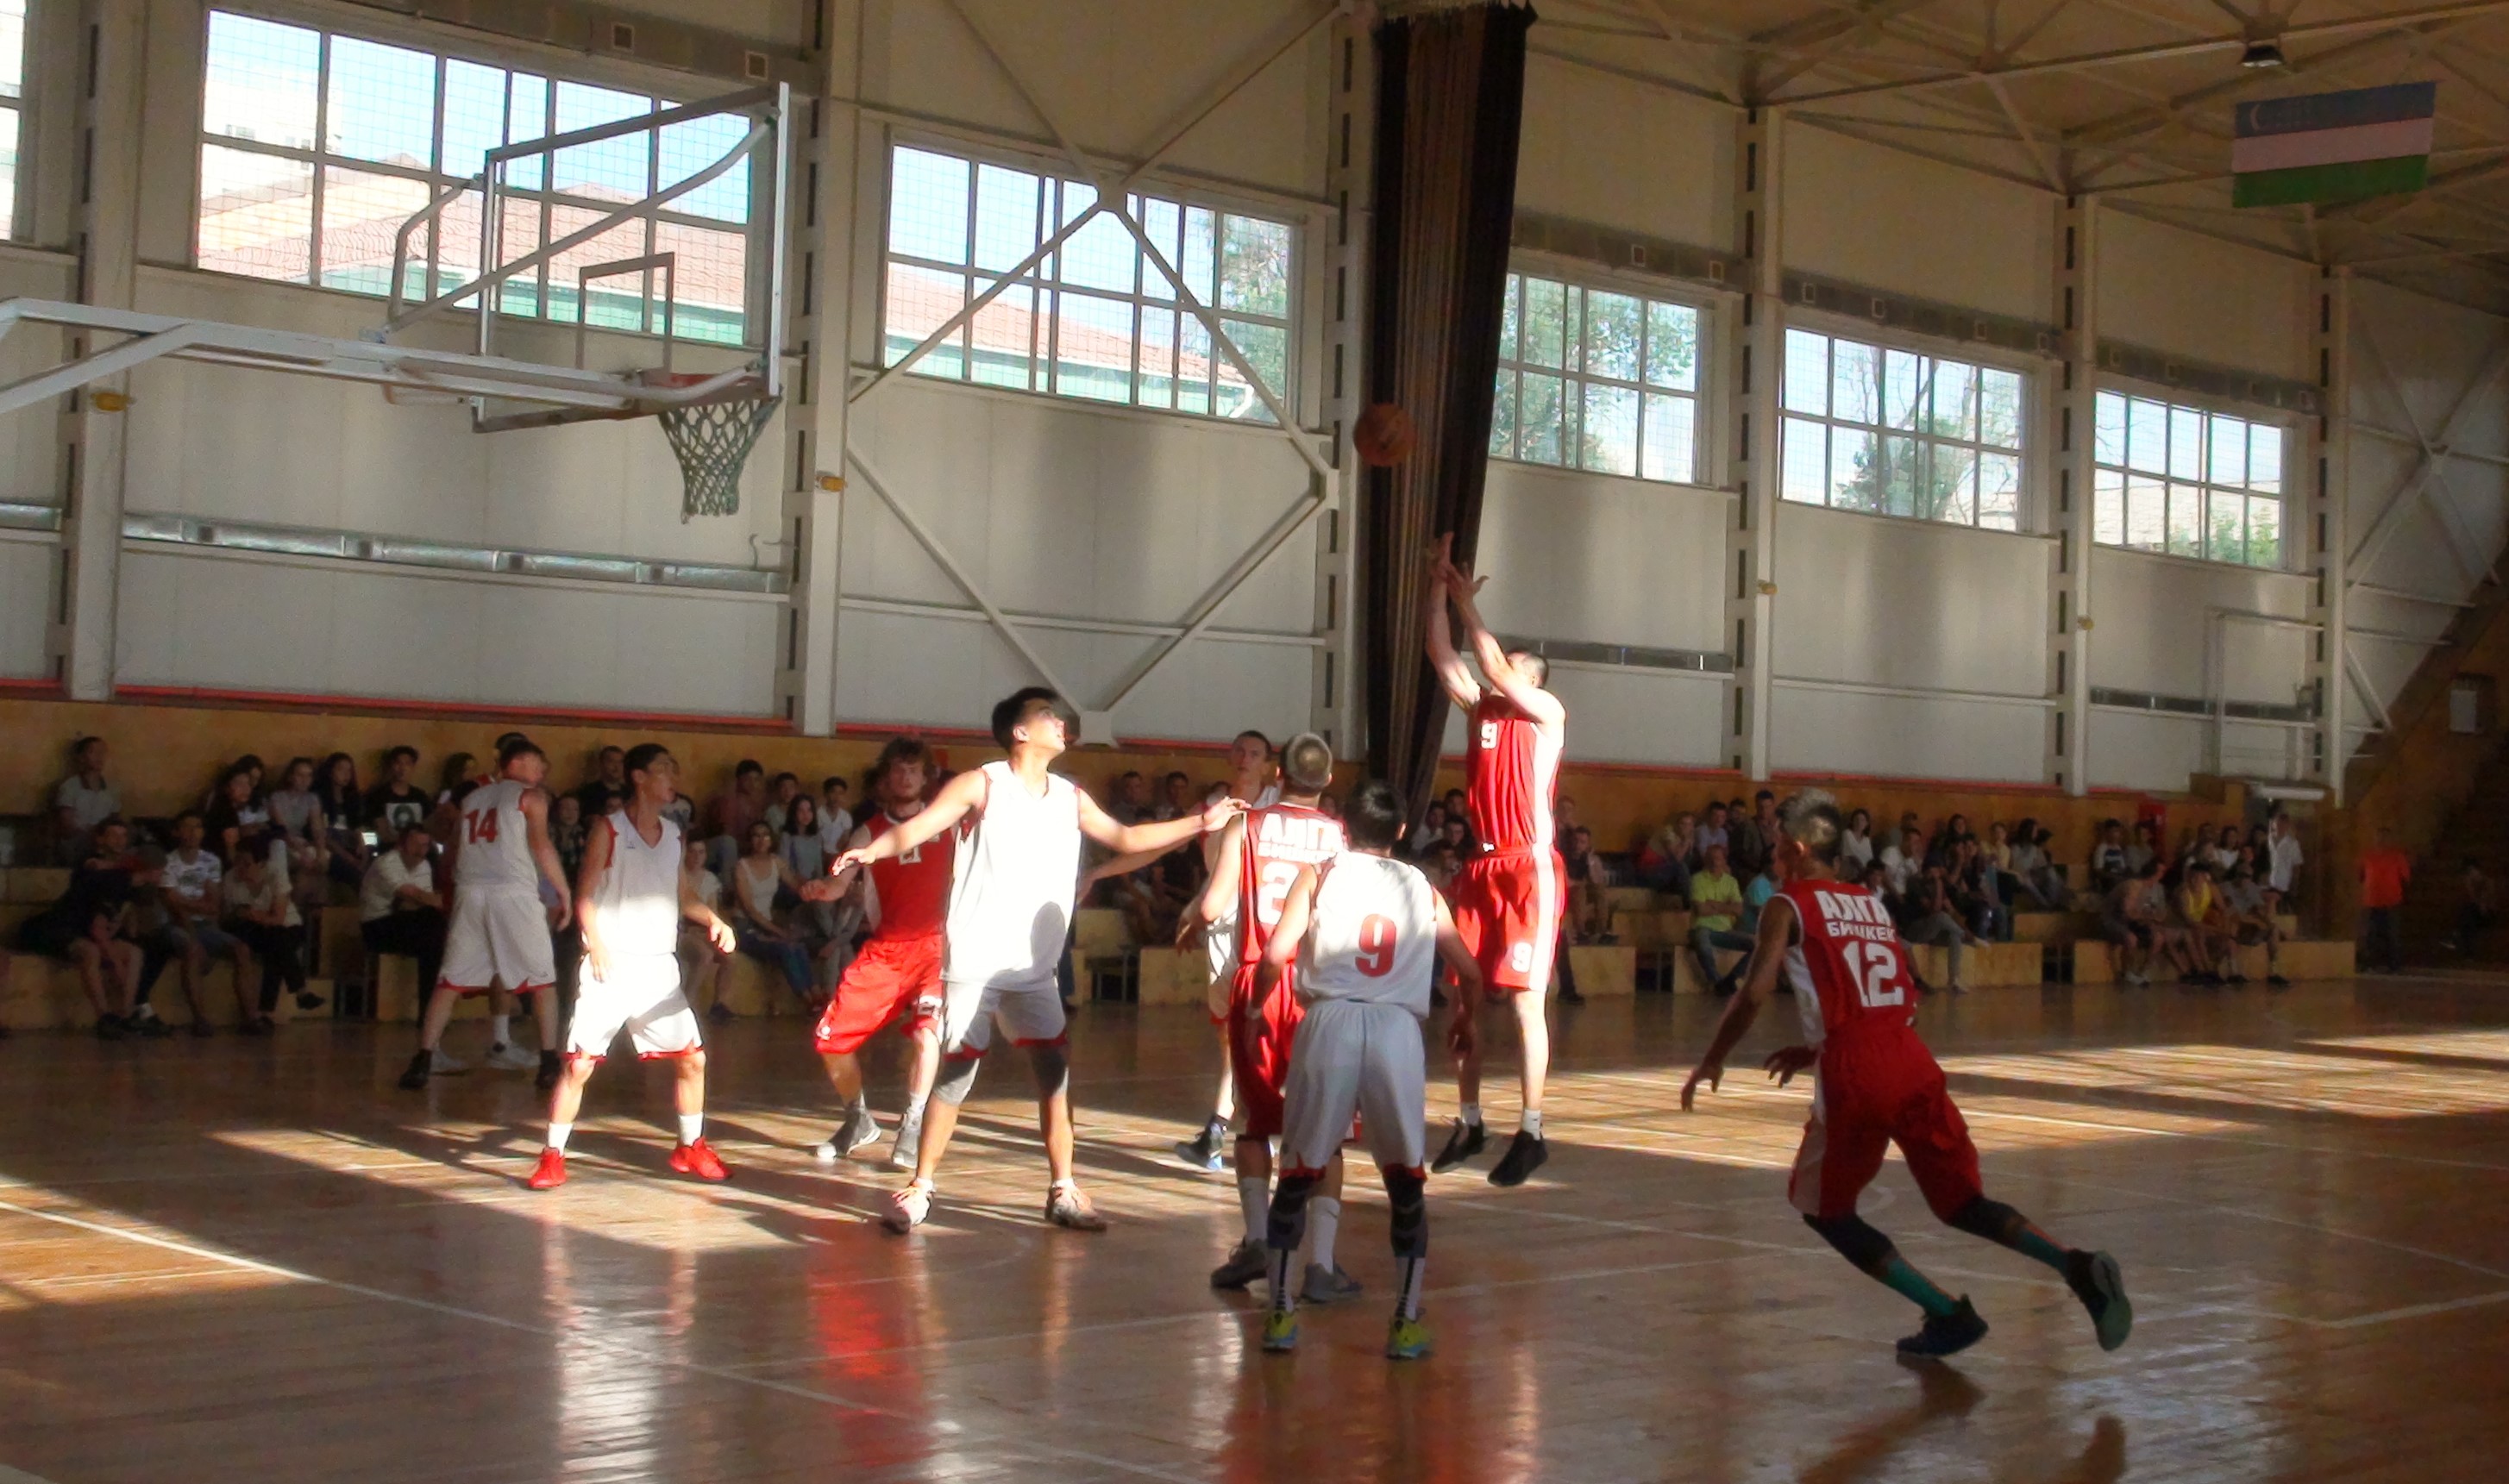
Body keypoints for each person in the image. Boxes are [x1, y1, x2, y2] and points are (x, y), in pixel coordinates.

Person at [1681, 791, 2133, 1359]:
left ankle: (1946, 1313)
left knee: (1824, 1211)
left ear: (1795, 849)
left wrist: (1714, 1056)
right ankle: (2076, 1265)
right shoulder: (1871, 904)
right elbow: (1893, 998)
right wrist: (1818, 1045)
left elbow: (1753, 991)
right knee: (1962, 1203)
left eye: (1775, 847)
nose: (1772, 857)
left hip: (1857, 1073)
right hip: (1911, 1057)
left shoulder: (1786, 903)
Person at [832, 686, 1246, 1233]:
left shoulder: (1070, 797)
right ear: (1020, 731)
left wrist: (1201, 823)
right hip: (976, 963)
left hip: (1034, 971)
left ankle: (1063, 1189)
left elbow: (1126, 837)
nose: (1060, 722)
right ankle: (921, 1188)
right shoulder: (981, 784)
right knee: (956, 1077)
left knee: (1055, 1075)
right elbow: (919, 826)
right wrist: (873, 850)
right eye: (1048, 714)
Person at [1255, 780, 1480, 1361]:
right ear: (1401, 831)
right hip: (1395, 1030)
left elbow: (1276, 954)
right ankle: (1405, 1321)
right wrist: (1466, 1020)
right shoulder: (1423, 887)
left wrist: (1256, 1009)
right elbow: (1470, 971)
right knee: (1405, 1180)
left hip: (1328, 1022)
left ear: (1343, 826)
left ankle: (1279, 1314)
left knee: (1298, 1172)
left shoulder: (1320, 874)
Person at [1188, 733, 1355, 1299]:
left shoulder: (1247, 825)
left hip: (1259, 978)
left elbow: (1214, 904)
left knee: (1254, 1122)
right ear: (1327, 780)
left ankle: (1258, 1238)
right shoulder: (1339, 836)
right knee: (1326, 1128)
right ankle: (1321, 1264)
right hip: (1316, 986)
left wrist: (1191, 921)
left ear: (1278, 773)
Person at [1422, 535, 1565, 1187]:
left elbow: (1493, 664)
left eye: (1512, 664)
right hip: (1481, 868)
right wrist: (1437, 589)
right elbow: (1441, 652)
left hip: (1528, 867)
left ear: (1533, 680)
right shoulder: (1480, 708)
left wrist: (1467, 604)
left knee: (1525, 1004)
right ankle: (1470, 1120)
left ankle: (1532, 1129)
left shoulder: (1546, 715)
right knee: (1466, 996)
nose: (1498, 667)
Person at [529, 743, 737, 1189]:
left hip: (658, 967)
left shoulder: (675, 835)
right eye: (664, 769)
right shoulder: (609, 829)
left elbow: (683, 895)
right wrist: (596, 942)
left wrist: (714, 919)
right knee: (579, 1066)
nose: (672, 776)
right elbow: (585, 893)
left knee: (693, 1060)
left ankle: (690, 1146)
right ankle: (551, 1156)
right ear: (639, 777)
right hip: (611, 963)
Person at [804, 738, 951, 1172]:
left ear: (926, 777)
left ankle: (913, 1123)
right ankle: (859, 1119)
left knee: (927, 1035)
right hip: (886, 951)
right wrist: (823, 889)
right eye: (897, 770)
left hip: (937, 948)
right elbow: (839, 883)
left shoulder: (948, 821)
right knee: (830, 1041)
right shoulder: (868, 832)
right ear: (885, 779)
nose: (905, 777)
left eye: (913, 769)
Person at [397, 739, 573, 1092]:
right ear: (517, 762)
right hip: (512, 892)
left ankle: (423, 1058)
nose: (542, 770)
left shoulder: (472, 799)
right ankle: (549, 1061)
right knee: (542, 981)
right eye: (537, 762)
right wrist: (563, 891)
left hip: (470, 893)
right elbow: (541, 845)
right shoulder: (531, 797)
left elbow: (452, 853)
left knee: (450, 981)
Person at [1174, 729, 1281, 1173]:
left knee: (1257, 1032)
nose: (1244, 758)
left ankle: (1241, 1127)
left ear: (1269, 764)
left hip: (1263, 926)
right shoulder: (1213, 809)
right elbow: (1210, 872)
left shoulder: (1278, 807)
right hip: (1221, 922)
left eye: (1254, 753)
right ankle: (1223, 1130)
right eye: (1239, 750)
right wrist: (1194, 910)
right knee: (1229, 1036)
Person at [15, 817, 151, 1037]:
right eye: (113, 835)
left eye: (123, 836)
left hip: (88, 931)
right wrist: (115, 963)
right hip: (58, 928)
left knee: (134, 953)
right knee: (90, 951)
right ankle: (104, 1018)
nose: (120, 841)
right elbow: (97, 926)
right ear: (100, 839)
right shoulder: (90, 864)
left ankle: (125, 1015)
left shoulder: (125, 875)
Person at [153, 811, 254, 1035]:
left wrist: (190, 904)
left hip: (204, 925)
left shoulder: (211, 860)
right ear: (176, 832)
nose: (193, 832)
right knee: (193, 950)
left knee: (241, 949)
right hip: (175, 925)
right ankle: (200, 1019)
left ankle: (250, 1017)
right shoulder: (168, 862)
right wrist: (197, 909)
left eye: (197, 827)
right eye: (187, 827)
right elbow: (173, 906)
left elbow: (213, 905)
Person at [223, 847, 316, 1030]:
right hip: (259, 930)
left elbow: (279, 918)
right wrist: (250, 916)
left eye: (247, 864)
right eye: (238, 862)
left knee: (277, 943)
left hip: (286, 926)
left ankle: (265, 1012)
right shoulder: (230, 879)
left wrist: (253, 915)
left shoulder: (275, 874)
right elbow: (228, 915)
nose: (241, 867)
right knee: (277, 943)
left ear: (261, 864)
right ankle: (299, 991)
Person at [728, 821, 818, 1007]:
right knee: (784, 948)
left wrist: (820, 888)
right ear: (750, 840)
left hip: (767, 925)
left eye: (766, 835)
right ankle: (807, 1000)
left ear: (771, 839)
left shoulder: (777, 862)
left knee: (799, 946)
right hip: (745, 927)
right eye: (756, 835)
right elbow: (750, 911)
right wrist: (779, 932)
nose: (761, 840)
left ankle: (817, 994)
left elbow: (797, 885)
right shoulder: (741, 867)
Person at [361, 823, 448, 1007]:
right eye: (416, 845)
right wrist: (444, 901)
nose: (421, 852)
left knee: (434, 936)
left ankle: (429, 1007)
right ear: (401, 845)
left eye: (425, 846)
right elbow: (411, 895)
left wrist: (431, 901)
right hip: (376, 925)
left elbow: (419, 902)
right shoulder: (387, 863)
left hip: (403, 921)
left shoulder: (423, 865)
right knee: (435, 931)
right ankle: (431, 1006)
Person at [677, 838, 736, 1020]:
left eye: (701, 852)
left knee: (729, 956)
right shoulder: (678, 876)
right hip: (680, 930)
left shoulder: (710, 879)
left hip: (702, 929)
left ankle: (719, 1004)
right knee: (704, 955)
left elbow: (712, 910)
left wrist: (707, 927)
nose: (697, 857)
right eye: (692, 851)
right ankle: (685, 1006)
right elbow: (682, 909)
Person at [1690, 843, 1752, 996]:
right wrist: (1727, 907)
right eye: (1711, 858)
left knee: (1757, 945)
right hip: (1703, 928)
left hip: (1725, 930)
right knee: (1701, 939)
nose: (1714, 862)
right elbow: (1701, 910)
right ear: (1705, 860)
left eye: (1718, 858)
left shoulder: (1731, 882)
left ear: (1724, 861)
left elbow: (1739, 910)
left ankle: (1731, 979)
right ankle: (1716, 981)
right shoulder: (1697, 879)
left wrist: (1713, 904)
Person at [52, 736, 120, 865]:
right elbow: (67, 824)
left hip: (104, 841)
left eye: (102, 752)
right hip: (77, 841)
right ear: (81, 758)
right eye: (93, 752)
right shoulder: (70, 786)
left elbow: (115, 820)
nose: (99, 757)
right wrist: (91, 834)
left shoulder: (111, 789)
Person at [2219, 861, 2286, 988]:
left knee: (2273, 929)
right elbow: (2231, 910)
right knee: (2232, 927)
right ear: (2236, 875)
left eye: (2247, 876)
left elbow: (2258, 910)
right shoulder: (2226, 888)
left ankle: (2274, 972)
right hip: (2234, 925)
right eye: (2241, 875)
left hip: (2249, 927)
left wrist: (2267, 923)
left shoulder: (2252, 888)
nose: (2244, 879)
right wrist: (2252, 920)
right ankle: (2234, 973)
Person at [315, 752, 373, 888]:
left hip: (352, 842)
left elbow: (360, 825)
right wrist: (348, 857)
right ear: (330, 772)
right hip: (334, 846)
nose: (346, 775)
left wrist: (363, 845)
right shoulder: (318, 798)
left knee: (372, 838)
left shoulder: (354, 798)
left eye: (349, 770)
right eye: (341, 769)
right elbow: (323, 834)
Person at [2358, 827, 2411, 974]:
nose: (2381, 841)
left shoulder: (2398, 857)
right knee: (2370, 934)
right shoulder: (2367, 856)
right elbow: (2361, 875)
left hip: (2392, 901)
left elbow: (2405, 878)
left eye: (2384, 837)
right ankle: (2369, 964)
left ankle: (2394, 965)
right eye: (2379, 837)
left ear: (2390, 840)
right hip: (2372, 901)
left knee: (2392, 935)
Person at [2176, 861, 2234, 986]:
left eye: (2198, 877)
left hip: (2201, 925)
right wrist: (2218, 929)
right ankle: (2206, 971)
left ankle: (2225, 971)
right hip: (2183, 926)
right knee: (2199, 934)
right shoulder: (2184, 893)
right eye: (2192, 877)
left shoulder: (2211, 888)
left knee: (2228, 941)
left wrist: (2225, 927)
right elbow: (2189, 921)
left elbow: (2224, 910)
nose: (2194, 881)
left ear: (2204, 877)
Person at [366, 746, 430, 844]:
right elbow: (382, 832)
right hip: (390, 848)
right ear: (391, 766)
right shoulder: (378, 795)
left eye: (407, 764)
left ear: (413, 767)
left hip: (418, 848)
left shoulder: (420, 796)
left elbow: (428, 826)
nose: (402, 768)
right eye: (398, 763)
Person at [2444, 858, 2499, 955]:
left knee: (2468, 911)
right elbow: (2472, 899)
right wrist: (2469, 885)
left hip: (2488, 914)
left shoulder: (2488, 882)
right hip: (2475, 915)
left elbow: (2483, 905)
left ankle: (2455, 937)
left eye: (2471, 871)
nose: (2470, 874)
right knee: (2468, 918)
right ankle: (2466, 949)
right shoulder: (2471, 884)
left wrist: (2480, 901)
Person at [573, 747, 629, 819]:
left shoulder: (630, 792)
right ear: (601, 764)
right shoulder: (588, 792)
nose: (616, 766)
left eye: (620, 762)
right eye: (611, 761)